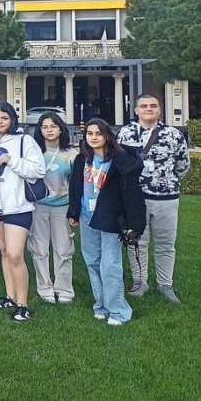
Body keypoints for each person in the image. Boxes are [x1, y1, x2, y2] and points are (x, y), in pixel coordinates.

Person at [68, 119, 146, 325]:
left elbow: (132, 196)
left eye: (98, 133)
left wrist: (134, 225)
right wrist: (73, 212)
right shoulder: (81, 160)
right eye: (89, 133)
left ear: (107, 136)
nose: (93, 137)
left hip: (110, 217)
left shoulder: (120, 160)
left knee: (110, 265)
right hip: (87, 217)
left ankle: (118, 310)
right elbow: (75, 188)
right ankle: (100, 305)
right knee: (93, 261)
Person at [117, 93, 190, 303]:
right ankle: (140, 282)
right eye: (144, 106)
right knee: (136, 242)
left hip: (166, 198)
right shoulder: (125, 134)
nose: (148, 109)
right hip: (136, 198)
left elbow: (182, 165)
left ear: (159, 109)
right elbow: (120, 163)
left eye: (153, 105)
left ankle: (165, 284)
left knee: (166, 243)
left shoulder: (173, 135)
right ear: (136, 110)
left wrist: (165, 180)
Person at [0, 101, 46, 322]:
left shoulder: (24, 140)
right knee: (5, 252)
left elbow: (38, 169)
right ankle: (9, 295)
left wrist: (12, 160)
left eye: (4, 118)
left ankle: (22, 303)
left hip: (18, 207)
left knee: (16, 255)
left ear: (12, 119)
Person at [30, 112, 78, 304]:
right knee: (39, 248)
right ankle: (44, 286)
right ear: (40, 130)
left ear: (60, 129)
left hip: (62, 207)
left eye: (53, 126)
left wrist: (74, 211)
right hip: (38, 207)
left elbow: (76, 186)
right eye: (45, 127)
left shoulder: (71, 154)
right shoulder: (33, 152)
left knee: (63, 249)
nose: (49, 130)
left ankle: (64, 288)